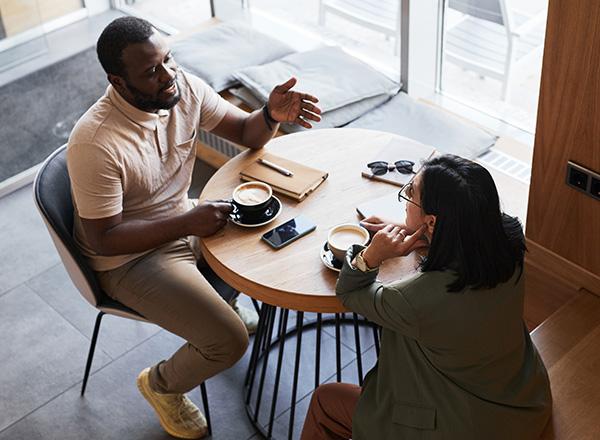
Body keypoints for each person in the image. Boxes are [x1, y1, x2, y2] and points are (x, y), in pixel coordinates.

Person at [67, 16, 321, 439]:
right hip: (129, 257)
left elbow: (244, 131)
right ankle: (161, 384)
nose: (168, 76)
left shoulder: (181, 86)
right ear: (118, 80)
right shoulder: (95, 142)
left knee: (264, 240)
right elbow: (102, 237)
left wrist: (270, 115)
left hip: (183, 219)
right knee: (230, 342)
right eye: (151, 71)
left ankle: (221, 296)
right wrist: (188, 221)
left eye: (169, 59)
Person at [301, 155, 552, 440]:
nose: (406, 200)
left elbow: (350, 292)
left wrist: (372, 255)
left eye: (410, 194)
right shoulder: (507, 240)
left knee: (325, 400)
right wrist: (419, 231)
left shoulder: (414, 300)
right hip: (520, 401)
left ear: (432, 221)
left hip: (461, 427)